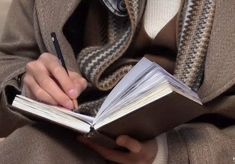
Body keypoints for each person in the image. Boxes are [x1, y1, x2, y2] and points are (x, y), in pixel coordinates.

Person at [0, 0, 234, 163]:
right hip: (70, 143)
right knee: (31, 147)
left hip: (203, 146)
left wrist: (169, 155)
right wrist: (29, 88)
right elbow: (9, 61)